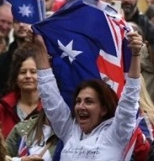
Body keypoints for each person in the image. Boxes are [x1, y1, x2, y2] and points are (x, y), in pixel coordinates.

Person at [32, 29, 143, 159]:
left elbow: (129, 100)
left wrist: (135, 56)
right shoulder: (69, 130)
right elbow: (49, 95)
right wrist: (39, 46)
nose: (81, 106)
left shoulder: (116, 134)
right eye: (78, 101)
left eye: (89, 101)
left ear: (104, 109)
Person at [0, 48, 42, 138]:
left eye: (33, 72)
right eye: (23, 72)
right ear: (16, 77)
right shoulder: (3, 108)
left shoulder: (49, 108)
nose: (28, 76)